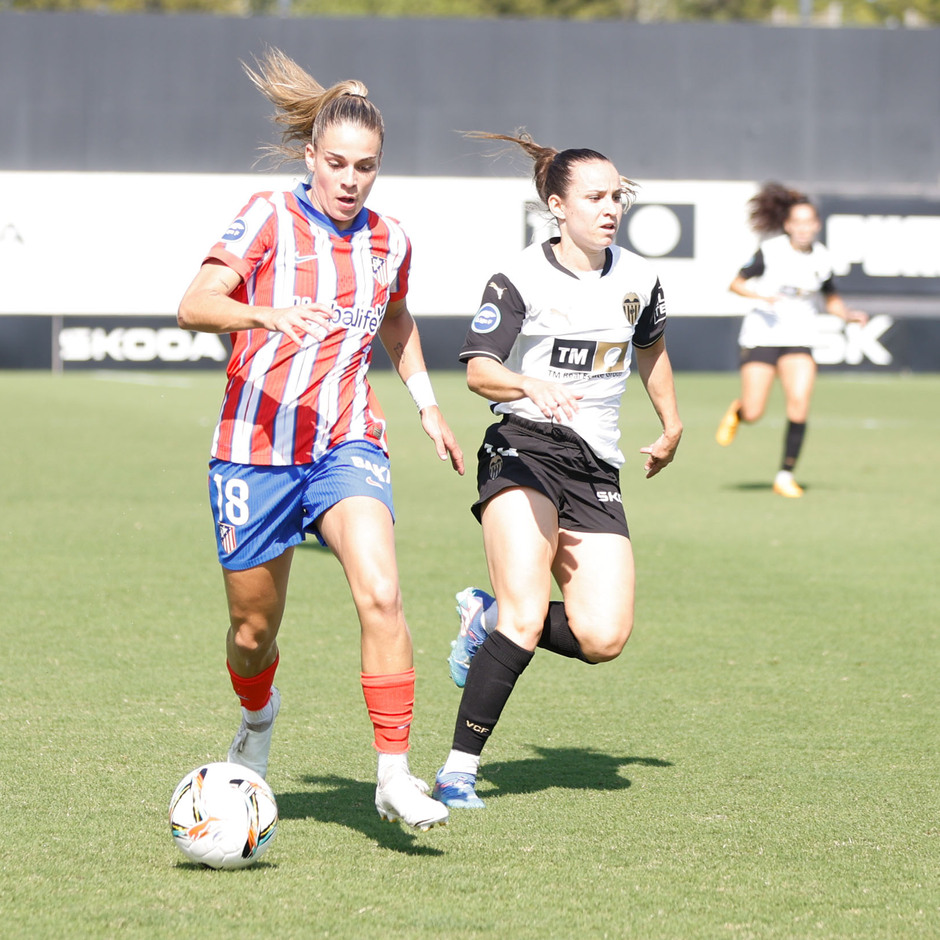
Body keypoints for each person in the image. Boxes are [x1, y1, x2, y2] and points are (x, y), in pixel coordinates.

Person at [177, 49, 464, 832]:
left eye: (364, 167)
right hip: (254, 447)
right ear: (311, 157)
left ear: (379, 169)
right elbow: (195, 303)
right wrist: (263, 315)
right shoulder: (270, 216)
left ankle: (395, 774)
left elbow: (397, 319)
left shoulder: (390, 240)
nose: (348, 179)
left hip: (346, 441)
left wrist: (427, 405)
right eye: (335, 163)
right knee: (251, 632)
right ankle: (258, 721)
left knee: (381, 591)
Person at [430, 130, 683, 809]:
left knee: (605, 637)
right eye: (595, 197)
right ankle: (458, 769)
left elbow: (651, 349)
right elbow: (479, 369)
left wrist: (672, 423)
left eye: (618, 196)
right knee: (525, 614)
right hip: (523, 448)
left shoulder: (639, 277)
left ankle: (479, 619)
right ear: (556, 205)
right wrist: (525, 386)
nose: (611, 208)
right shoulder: (518, 277)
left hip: (593, 464)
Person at [715, 182, 868, 497]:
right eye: (796, 223)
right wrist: (762, 295)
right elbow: (735, 284)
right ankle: (739, 411)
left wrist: (847, 314)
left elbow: (831, 300)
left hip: (800, 336)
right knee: (755, 412)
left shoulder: (822, 258)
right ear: (787, 225)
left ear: (817, 225)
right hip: (763, 334)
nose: (803, 229)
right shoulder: (770, 251)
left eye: (808, 223)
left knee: (799, 403)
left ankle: (785, 474)